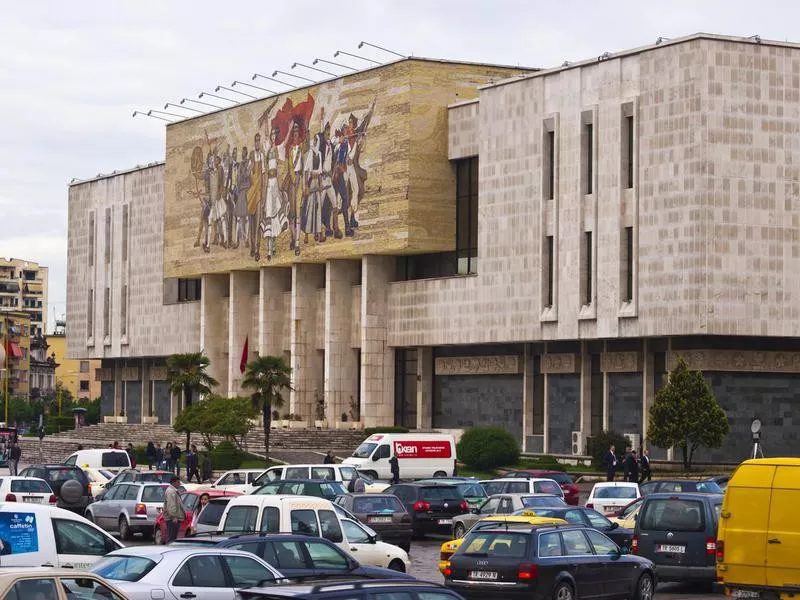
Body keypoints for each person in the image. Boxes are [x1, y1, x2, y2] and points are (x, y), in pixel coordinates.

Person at [163, 475, 186, 544]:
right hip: (173, 519)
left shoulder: (172, 491)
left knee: (173, 537)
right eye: (178, 482)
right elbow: (171, 505)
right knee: (172, 538)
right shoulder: (171, 491)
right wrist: (174, 517)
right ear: (173, 482)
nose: (179, 484)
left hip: (173, 518)